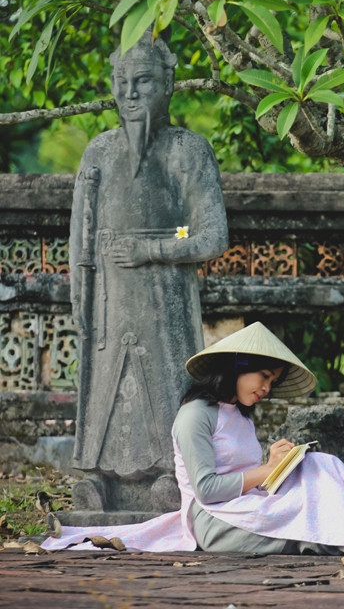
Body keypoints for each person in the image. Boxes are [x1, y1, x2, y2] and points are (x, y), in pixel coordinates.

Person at [43, 322, 344, 559]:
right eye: (263, 376)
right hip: (216, 522)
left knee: (319, 467)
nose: (267, 387)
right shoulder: (195, 415)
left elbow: (251, 475)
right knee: (315, 523)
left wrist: (274, 461)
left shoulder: (240, 417)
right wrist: (267, 472)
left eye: (272, 380)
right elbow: (209, 489)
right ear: (237, 367)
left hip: (248, 509)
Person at [69, 29, 228, 513]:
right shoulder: (99, 152)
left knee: (164, 384)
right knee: (104, 388)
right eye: (122, 82)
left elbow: (204, 235)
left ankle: (171, 474)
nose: (131, 93)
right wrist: (80, 293)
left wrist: (156, 247)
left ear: (168, 85)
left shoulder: (187, 150)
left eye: (144, 81)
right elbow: (79, 239)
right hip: (109, 303)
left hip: (165, 302)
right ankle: (97, 478)